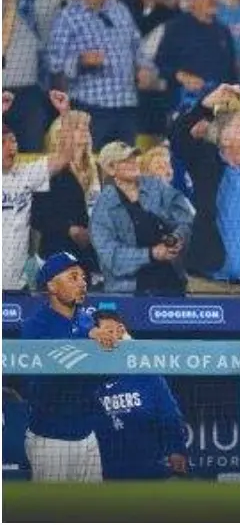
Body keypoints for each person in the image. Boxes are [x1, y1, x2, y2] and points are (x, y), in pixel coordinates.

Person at [19, 251, 125, 482]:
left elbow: (106, 376)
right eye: (73, 277)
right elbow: (43, 382)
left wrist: (113, 348)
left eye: (84, 278)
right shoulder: (35, 326)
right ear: (52, 287)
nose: (82, 283)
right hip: (51, 440)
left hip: (87, 437)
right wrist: (90, 338)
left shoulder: (87, 320)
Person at [170, 84, 240, 294]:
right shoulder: (205, 162)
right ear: (224, 136)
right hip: (206, 286)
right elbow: (177, 135)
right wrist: (205, 106)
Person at [43, 0, 152, 150]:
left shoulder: (120, 11)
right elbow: (53, 63)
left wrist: (143, 67)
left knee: (124, 167)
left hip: (126, 107)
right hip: (90, 109)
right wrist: (80, 61)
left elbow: (137, 47)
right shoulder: (68, 16)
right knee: (91, 166)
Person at [92, 310, 190, 480]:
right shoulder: (87, 377)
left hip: (148, 467)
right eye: (100, 333)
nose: (106, 338)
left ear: (122, 331)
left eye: (110, 331)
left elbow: (169, 415)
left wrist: (176, 450)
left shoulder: (145, 372)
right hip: (103, 471)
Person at [89, 139, 195, 294]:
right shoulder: (103, 209)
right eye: (125, 160)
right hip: (130, 290)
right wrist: (152, 254)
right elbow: (112, 258)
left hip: (172, 282)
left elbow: (186, 218)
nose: (133, 163)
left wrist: (178, 237)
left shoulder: (157, 187)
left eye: (133, 158)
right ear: (110, 169)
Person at [2, 109, 76, 292]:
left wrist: (65, 115)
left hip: (17, 284)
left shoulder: (26, 174)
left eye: (13, 140)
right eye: (3, 142)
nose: (11, 146)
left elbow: (64, 157)